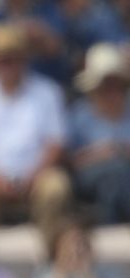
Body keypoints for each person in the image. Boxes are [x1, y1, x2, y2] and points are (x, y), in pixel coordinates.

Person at [0, 22, 71, 238]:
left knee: (57, 187)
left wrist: (33, 178)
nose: (4, 64)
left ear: (24, 59)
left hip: (37, 176)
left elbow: (55, 143)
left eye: (10, 58)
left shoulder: (47, 92)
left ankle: (46, 250)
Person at [69, 43, 130, 224]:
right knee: (114, 173)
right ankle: (112, 227)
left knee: (117, 176)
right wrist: (102, 153)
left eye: (114, 83)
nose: (110, 90)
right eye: (105, 84)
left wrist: (120, 151)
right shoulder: (79, 114)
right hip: (90, 176)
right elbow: (71, 161)